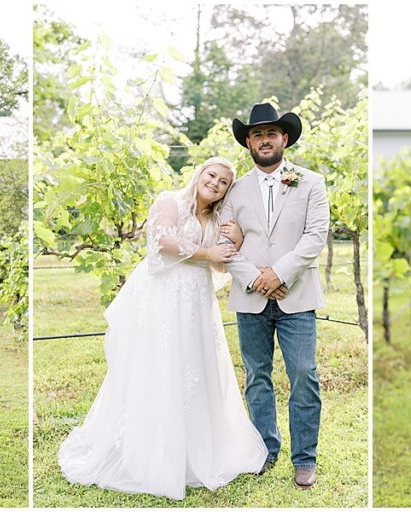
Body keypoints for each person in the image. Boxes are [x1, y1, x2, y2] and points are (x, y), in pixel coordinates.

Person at [58, 157, 268, 501]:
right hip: (163, 299)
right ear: (200, 174)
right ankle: (150, 453)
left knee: (195, 370)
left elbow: (220, 263)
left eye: (223, 182)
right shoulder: (170, 201)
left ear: (227, 190)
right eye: (211, 175)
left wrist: (237, 240)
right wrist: (208, 250)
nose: (215, 183)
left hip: (197, 302)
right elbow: (162, 242)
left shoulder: (216, 219)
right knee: (158, 367)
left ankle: (193, 453)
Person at [218, 102, 330, 489]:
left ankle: (305, 459)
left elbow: (315, 236)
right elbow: (225, 242)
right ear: (248, 143)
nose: (264, 140)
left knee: (303, 375)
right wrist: (257, 279)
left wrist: (279, 273)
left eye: (271, 134)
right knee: (256, 376)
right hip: (250, 298)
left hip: (297, 296)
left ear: (284, 139)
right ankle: (264, 451)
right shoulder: (233, 191)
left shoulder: (311, 182)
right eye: (257, 135)